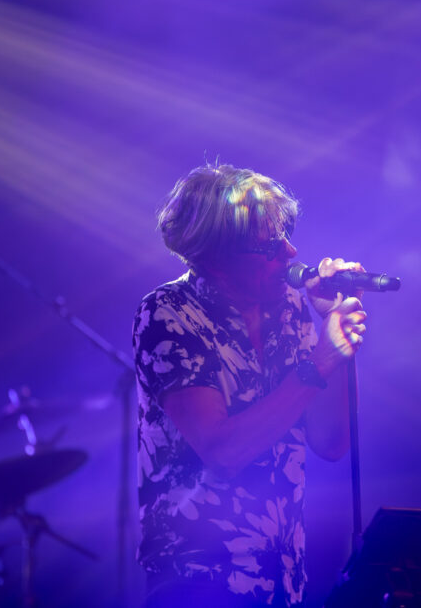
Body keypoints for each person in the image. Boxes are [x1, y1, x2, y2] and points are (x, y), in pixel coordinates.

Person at [133, 163, 368, 607]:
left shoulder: (289, 310)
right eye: (271, 244)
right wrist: (320, 359)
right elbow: (224, 452)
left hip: (281, 577)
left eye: (287, 236)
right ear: (219, 254)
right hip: (197, 578)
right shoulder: (169, 313)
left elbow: (331, 443)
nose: (291, 252)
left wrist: (332, 340)